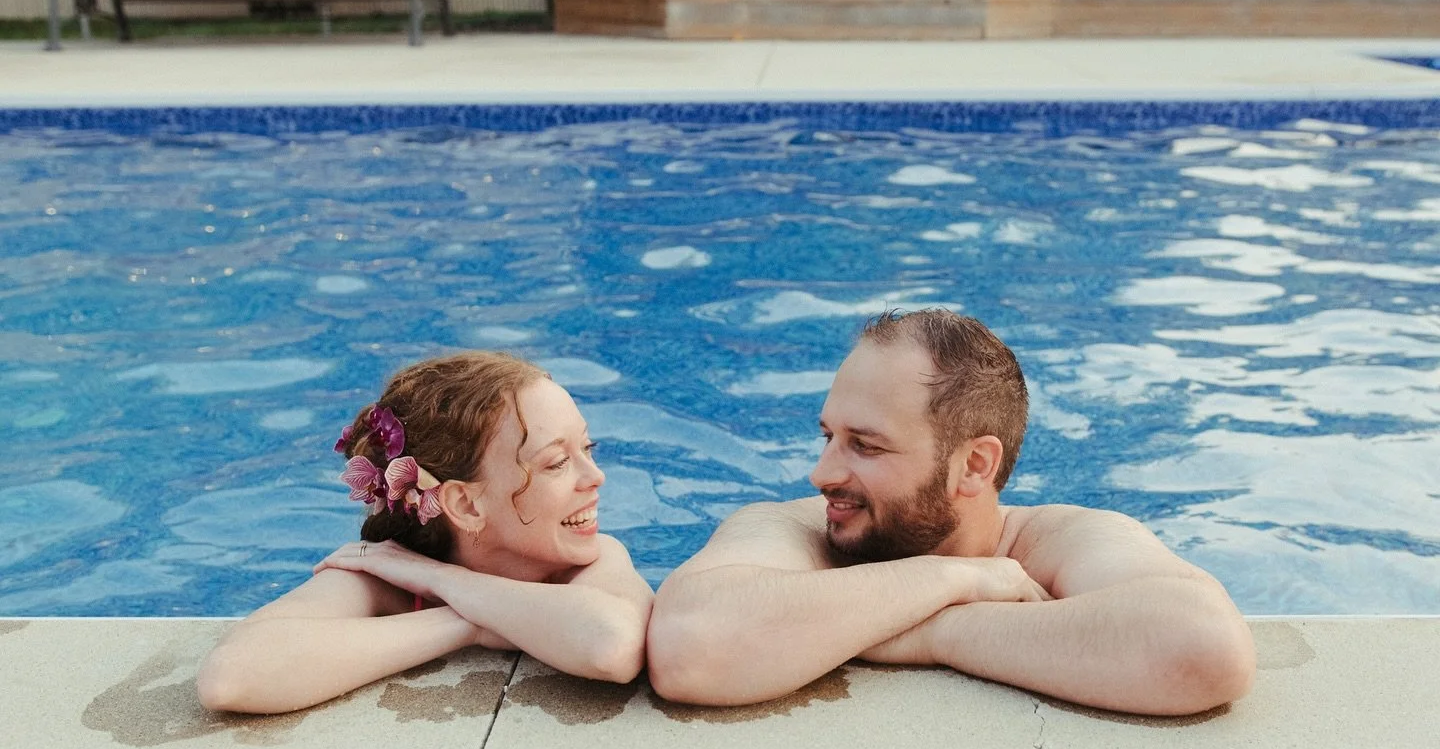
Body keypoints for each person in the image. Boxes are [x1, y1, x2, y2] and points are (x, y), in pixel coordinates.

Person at [647, 309, 1255, 716]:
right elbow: (688, 647)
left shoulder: (1063, 541)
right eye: (827, 436)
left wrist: (937, 630)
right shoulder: (799, 527)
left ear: (974, 466)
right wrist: (958, 578)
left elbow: (1204, 646)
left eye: (867, 445)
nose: (823, 473)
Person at [197, 351, 653, 714]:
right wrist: (467, 623)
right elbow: (232, 677)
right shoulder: (381, 577)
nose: (595, 477)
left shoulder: (588, 560)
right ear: (466, 504)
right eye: (556, 463)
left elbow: (612, 645)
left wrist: (446, 583)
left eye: (587, 449)